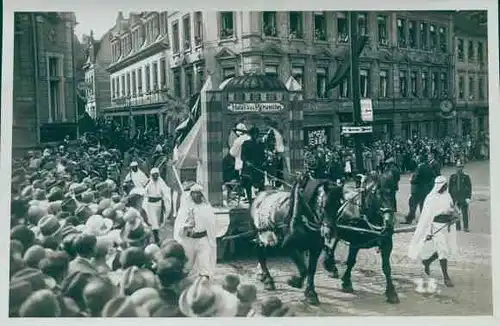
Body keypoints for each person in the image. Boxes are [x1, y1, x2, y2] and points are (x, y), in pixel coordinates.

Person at [408, 176, 459, 289]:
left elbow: (451, 209)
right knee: (443, 250)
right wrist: (428, 231)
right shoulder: (431, 198)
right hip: (435, 227)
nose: (444, 188)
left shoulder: (447, 195)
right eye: (442, 186)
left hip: (447, 227)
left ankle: (427, 261)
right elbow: (427, 216)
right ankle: (446, 277)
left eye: (445, 186)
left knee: (446, 249)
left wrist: (453, 215)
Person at [173, 184, 217, 279]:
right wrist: (186, 225)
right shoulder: (185, 208)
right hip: (188, 240)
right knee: (186, 266)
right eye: (194, 193)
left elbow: (211, 225)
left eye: (198, 193)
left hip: (203, 239)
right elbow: (179, 224)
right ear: (191, 194)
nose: (196, 195)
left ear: (202, 195)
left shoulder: (207, 208)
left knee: (204, 266)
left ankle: (204, 287)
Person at [404, 155, 435, 224]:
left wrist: (411, 180)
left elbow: (416, 179)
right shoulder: (429, 166)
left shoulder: (420, 167)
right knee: (422, 205)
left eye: (417, 159)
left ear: (420, 160)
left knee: (412, 204)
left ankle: (410, 219)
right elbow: (432, 176)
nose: (416, 160)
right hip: (425, 189)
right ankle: (423, 219)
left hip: (417, 189)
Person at [144, 168, 172, 244]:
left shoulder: (161, 183)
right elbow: (144, 194)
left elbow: (166, 192)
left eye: (156, 175)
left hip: (159, 204)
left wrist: (165, 201)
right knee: (154, 221)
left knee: (157, 221)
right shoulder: (149, 184)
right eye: (153, 175)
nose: (155, 177)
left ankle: (155, 234)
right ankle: (156, 237)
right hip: (151, 205)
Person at [240, 127, 266, 204]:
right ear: (251, 135)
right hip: (248, 168)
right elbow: (242, 156)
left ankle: (261, 200)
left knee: (261, 184)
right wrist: (247, 162)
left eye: (256, 134)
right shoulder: (246, 143)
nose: (255, 136)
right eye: (254, 134)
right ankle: (250, 199)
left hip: (258, 167)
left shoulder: (261, 144)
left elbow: (263, 155)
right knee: (248, 184)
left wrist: (264, 161)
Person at [448, 160, 472, 232]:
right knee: (456, 213)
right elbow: (450, 188)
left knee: (464, 213)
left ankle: (466, 227)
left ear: (463, 168)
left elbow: (469, 187)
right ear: (456, 168)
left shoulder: (466, 177)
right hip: (455, 197)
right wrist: (450, 197)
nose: (459, 169)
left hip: (463, 197)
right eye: (458, 167)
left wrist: (468, 197)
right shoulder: (452, 176)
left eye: (461, 167)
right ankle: (457, 227)